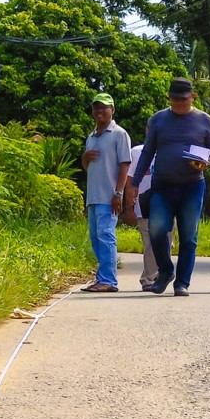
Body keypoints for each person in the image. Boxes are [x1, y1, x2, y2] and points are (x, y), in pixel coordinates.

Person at [131, 77, 210, 297]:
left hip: (192, 186)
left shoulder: (205, 120)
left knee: (188, 236)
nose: (179, 103)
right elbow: (148, 152)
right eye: (175, 99)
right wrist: (135, 183)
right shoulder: (158, 119)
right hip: (162, 185)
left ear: (193, 97)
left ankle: (182, 283)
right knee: (157, 229)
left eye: (183, 99)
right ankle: (165, 271)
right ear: (169, 98)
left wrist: (206, 162)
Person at [80, 92, 132, 293]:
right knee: (96, 238)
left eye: (104, 107)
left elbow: (125, 165)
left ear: (112, 110)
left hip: (109, 196)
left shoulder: (119, 134)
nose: (99, 111)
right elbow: (89, 168)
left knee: (106, 235)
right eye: (96, 107)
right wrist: (85, 157)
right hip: (93, 196)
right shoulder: (91, 136)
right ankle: (102, 278)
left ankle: (109, 281)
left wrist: (118, 193)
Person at [124, 131, 175, 291]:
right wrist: (129, 207)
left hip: (169, 205)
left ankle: (162, 274)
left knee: (166, 243)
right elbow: (129, 181)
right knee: (151, 244)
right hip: (144, 204)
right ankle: (148, 279)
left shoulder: (171, 151)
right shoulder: (137, 152)